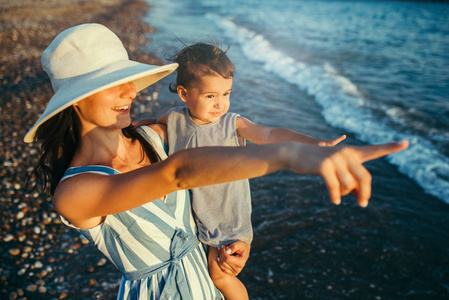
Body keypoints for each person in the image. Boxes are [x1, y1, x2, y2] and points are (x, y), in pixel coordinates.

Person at [25, 23, 408, 300]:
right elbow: (179, 173)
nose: (130, 91)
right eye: (113, 84)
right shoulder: (74, 193)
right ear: (77, 99)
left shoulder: (154, 136)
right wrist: (289, 156)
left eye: (129, 79)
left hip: (209, 281)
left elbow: (205, 161)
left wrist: (229, 251)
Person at [155, 42, 347, 300]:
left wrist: (314, 143)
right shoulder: (172, 119)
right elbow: (150, 132)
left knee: (220, 275)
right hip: (195, 217)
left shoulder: (232, 124)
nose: (220, 104)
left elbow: (270, 134)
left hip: (228, 219)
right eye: (210, 96)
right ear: (184, 93)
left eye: (226, 94)